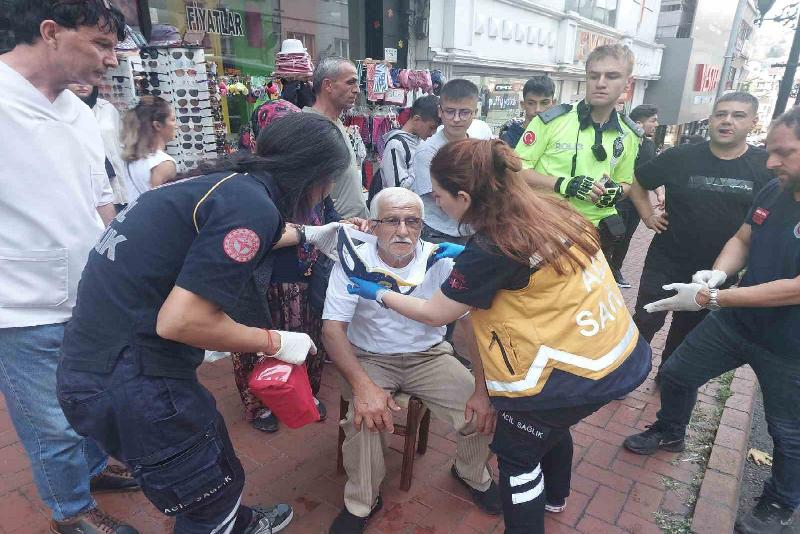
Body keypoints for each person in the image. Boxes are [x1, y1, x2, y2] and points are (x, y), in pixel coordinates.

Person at [55, 113, 354, 534]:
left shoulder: (223, 187)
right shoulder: (252, 205)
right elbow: (182, 321)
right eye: (330, 183)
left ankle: (239, 521)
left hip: (98, 364)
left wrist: (310, 235)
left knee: (213, 462)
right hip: (132, 380)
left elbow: (230, 236)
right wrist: (273, 340)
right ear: (315, 177)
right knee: (205, 499)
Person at [347, 139, 652, 533]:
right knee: (553, 429)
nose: (437, 205)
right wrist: (462, 255)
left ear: (463, 196)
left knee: (518, 454)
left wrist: (378, 292)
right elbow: (520, 267)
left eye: (439, 197)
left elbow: (435, 312)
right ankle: (556, 496)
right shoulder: (551, 210)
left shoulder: (493, 247)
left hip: (575, 372)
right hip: (618, 350)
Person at [622, 106, 800, 534]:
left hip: (790, 346)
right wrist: (717, 271)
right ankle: (670, 430)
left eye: (784, 153)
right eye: (772, 152)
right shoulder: (775, 191)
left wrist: (714, 295)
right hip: (737, 324)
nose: (771, 161)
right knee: (679, 374)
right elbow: (744, 237)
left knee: (788, 432)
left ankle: (778, 502)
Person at [0, 2, 138, 533]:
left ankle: (95, 469)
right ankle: (71, 513)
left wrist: (117, 260)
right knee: (50, 424)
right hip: (19, 305)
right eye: (101, 46)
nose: (110, 61)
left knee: (89, 403)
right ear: (51, 33)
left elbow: (100, 195)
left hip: (88, 295)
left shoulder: (79, 111)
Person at [323, 187, 501, 533]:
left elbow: (471, 326)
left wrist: (482, 388)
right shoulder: (353, 262)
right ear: (373, 226)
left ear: (423, 226)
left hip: (429, 356)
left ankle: (470, 471)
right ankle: (362, 502)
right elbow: (332, 330)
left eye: (412, 222)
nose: (403, 231)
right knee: (364, 420)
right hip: (371, 356)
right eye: (391, 221)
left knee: (483, 410)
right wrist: (362, 386)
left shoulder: (442, 260)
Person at [627, 92, 772, 381]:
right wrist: (648, 216)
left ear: (753, 123)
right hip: (666, 259)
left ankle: (667, 380)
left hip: (717, 272)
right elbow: (637, 183)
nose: (727, 121)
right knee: (645, 320)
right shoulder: (681, 156)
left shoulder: (764, 166)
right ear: (711, 119)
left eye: (738, 115)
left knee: (687, 332)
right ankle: (624, 374)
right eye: (721, 114)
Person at [230, 100, 337, 434]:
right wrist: (310, 233)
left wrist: (343, 227)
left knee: (307, 341)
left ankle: (301, 394)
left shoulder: (312, 180)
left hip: (308, 279)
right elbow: (250, 239)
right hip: (266, 283)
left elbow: (328, 215)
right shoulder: (254, 186)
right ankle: (260, 403)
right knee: (260, 344)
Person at [516, 44, 642, 265]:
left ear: (627, 83)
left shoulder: (629, 134)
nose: (600, 83)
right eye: (594, 76)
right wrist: (565, 184)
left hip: (596, 238)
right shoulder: (551, 121)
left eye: (611, 76)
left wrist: (615, 192)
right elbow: (515, 172)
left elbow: (626, 183)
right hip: (546, 232)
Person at [411, 79, 480, 245]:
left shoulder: (479, 147)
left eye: (464, 112)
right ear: (440, 111)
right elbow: (437, 198)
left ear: (474, 113)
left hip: (472, 231)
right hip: (438, 232)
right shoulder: (427, 151)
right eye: (450, 111)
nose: (456, 119)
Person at [304, 56, 369, 219]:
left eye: (357, 83)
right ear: (328, 85)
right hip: (334, 230)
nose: (357, 90)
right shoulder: (309, 126)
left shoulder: (337, 122)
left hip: (355, 227)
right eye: (350, 82)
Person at [609, 104, 659, 288]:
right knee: (612, 236)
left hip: (637, 203)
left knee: (627, 237)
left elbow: (650, 173)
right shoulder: (621, 141)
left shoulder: (649, 145)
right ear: (638, 123)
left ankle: (616, 269)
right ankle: (604, 270)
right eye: (652, 121)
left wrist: (659, 192)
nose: (656, 124)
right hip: (619, 199)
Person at [69, 83, 128, 208]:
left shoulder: (107, 109)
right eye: (76, 80)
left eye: (86, 80)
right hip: (85, 189)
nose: (82, 85)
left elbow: (121, 143)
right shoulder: (60, 112)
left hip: (118, 184)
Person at [120, 95, 177, 203]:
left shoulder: (132, 159)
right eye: (172, 120)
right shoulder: (164, 163)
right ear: (158, 125)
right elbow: (162, 205)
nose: (176, 125)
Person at [379, 95, 440, 189]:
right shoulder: (396, 145)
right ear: (416, 119)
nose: (433, 133)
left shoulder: (420, 142)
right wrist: (424, 166)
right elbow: (398, 189)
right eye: (431, 127)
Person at [499, 75, 556, 148]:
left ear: (553, 103)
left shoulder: (558, 135)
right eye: (531, 103)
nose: (538, 109)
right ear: (523, 105)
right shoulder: (509, 137)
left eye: (544, 103)